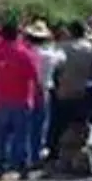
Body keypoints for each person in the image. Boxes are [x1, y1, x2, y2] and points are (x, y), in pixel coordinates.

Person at [0, 21, 41, 179]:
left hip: (0, 98)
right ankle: (21, 166)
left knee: (0, 134)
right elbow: (34, 76)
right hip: (21, 98)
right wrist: (38, 94)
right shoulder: (24, 53)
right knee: (21, 135)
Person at [48, 20, 92, 167]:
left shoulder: (61, 48)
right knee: (81, 126)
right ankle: (79, 156)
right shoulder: (90, 49)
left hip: (64, 91)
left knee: (59, 125)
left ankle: (56, 155)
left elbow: (55, 70)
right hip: (83, 93)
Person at [26, 20, 64, 166]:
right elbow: (61, 59)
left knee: (27, 125)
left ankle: (27, 155)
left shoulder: (27, 54)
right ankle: (36, 155)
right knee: (40, 125)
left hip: (28, 90)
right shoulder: (50, 55)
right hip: (44, 90)